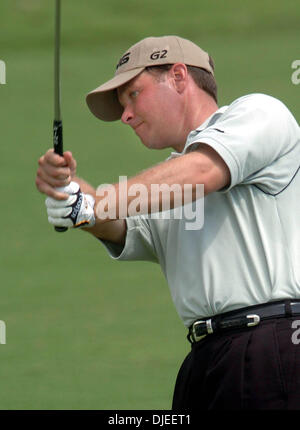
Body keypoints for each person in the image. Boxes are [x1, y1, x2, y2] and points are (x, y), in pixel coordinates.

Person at [35, 35, 300, 410]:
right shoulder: (163, 184)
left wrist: (95, 203)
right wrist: (68, 190)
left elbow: (203, 170)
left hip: (272, 346)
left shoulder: (259, 114)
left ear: (178, 77)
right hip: (205, 360)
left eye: (132, 95)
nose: (125, 115)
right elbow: (119, 224)